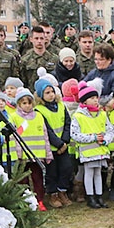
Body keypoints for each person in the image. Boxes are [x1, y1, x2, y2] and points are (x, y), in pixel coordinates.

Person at [71, 81, 114, 208]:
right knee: (89, 173)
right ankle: (90, 197)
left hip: (100, 150)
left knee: (98, 173)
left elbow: (110, 129)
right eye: (92, 98)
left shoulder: (102, 114)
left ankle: (99, 196)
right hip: (88, 151)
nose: (96, 100)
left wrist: (106, 140)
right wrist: (93, 138)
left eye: (96, 98)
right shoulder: (78, 116)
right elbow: (75, 134)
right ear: (84, 101)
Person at [10, 87, 55, 209]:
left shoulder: (39, 116)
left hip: (37, 155)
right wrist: (18, 154)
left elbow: (45, 136)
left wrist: (48, 153)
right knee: (22, 181)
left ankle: (39, 200)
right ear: (19, 104)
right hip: (23, 156)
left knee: (38, 179)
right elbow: (13, 137)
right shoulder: (14, 117)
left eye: (29, 103)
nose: (27, 106)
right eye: (24, 103)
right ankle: (25, 202)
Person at [35, 75, 73, 208]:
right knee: (52, 172)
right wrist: (59, 143)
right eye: (47, 93)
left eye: (52, 91)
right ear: (41, 95)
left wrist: (65, 141)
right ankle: (53, 194)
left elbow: (68, 123)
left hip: (63, 145)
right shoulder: (39, 110)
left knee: (67, 168)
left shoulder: (61, 106)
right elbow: (47, 130)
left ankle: (63, 191)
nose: (51, 95)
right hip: (50, 147)